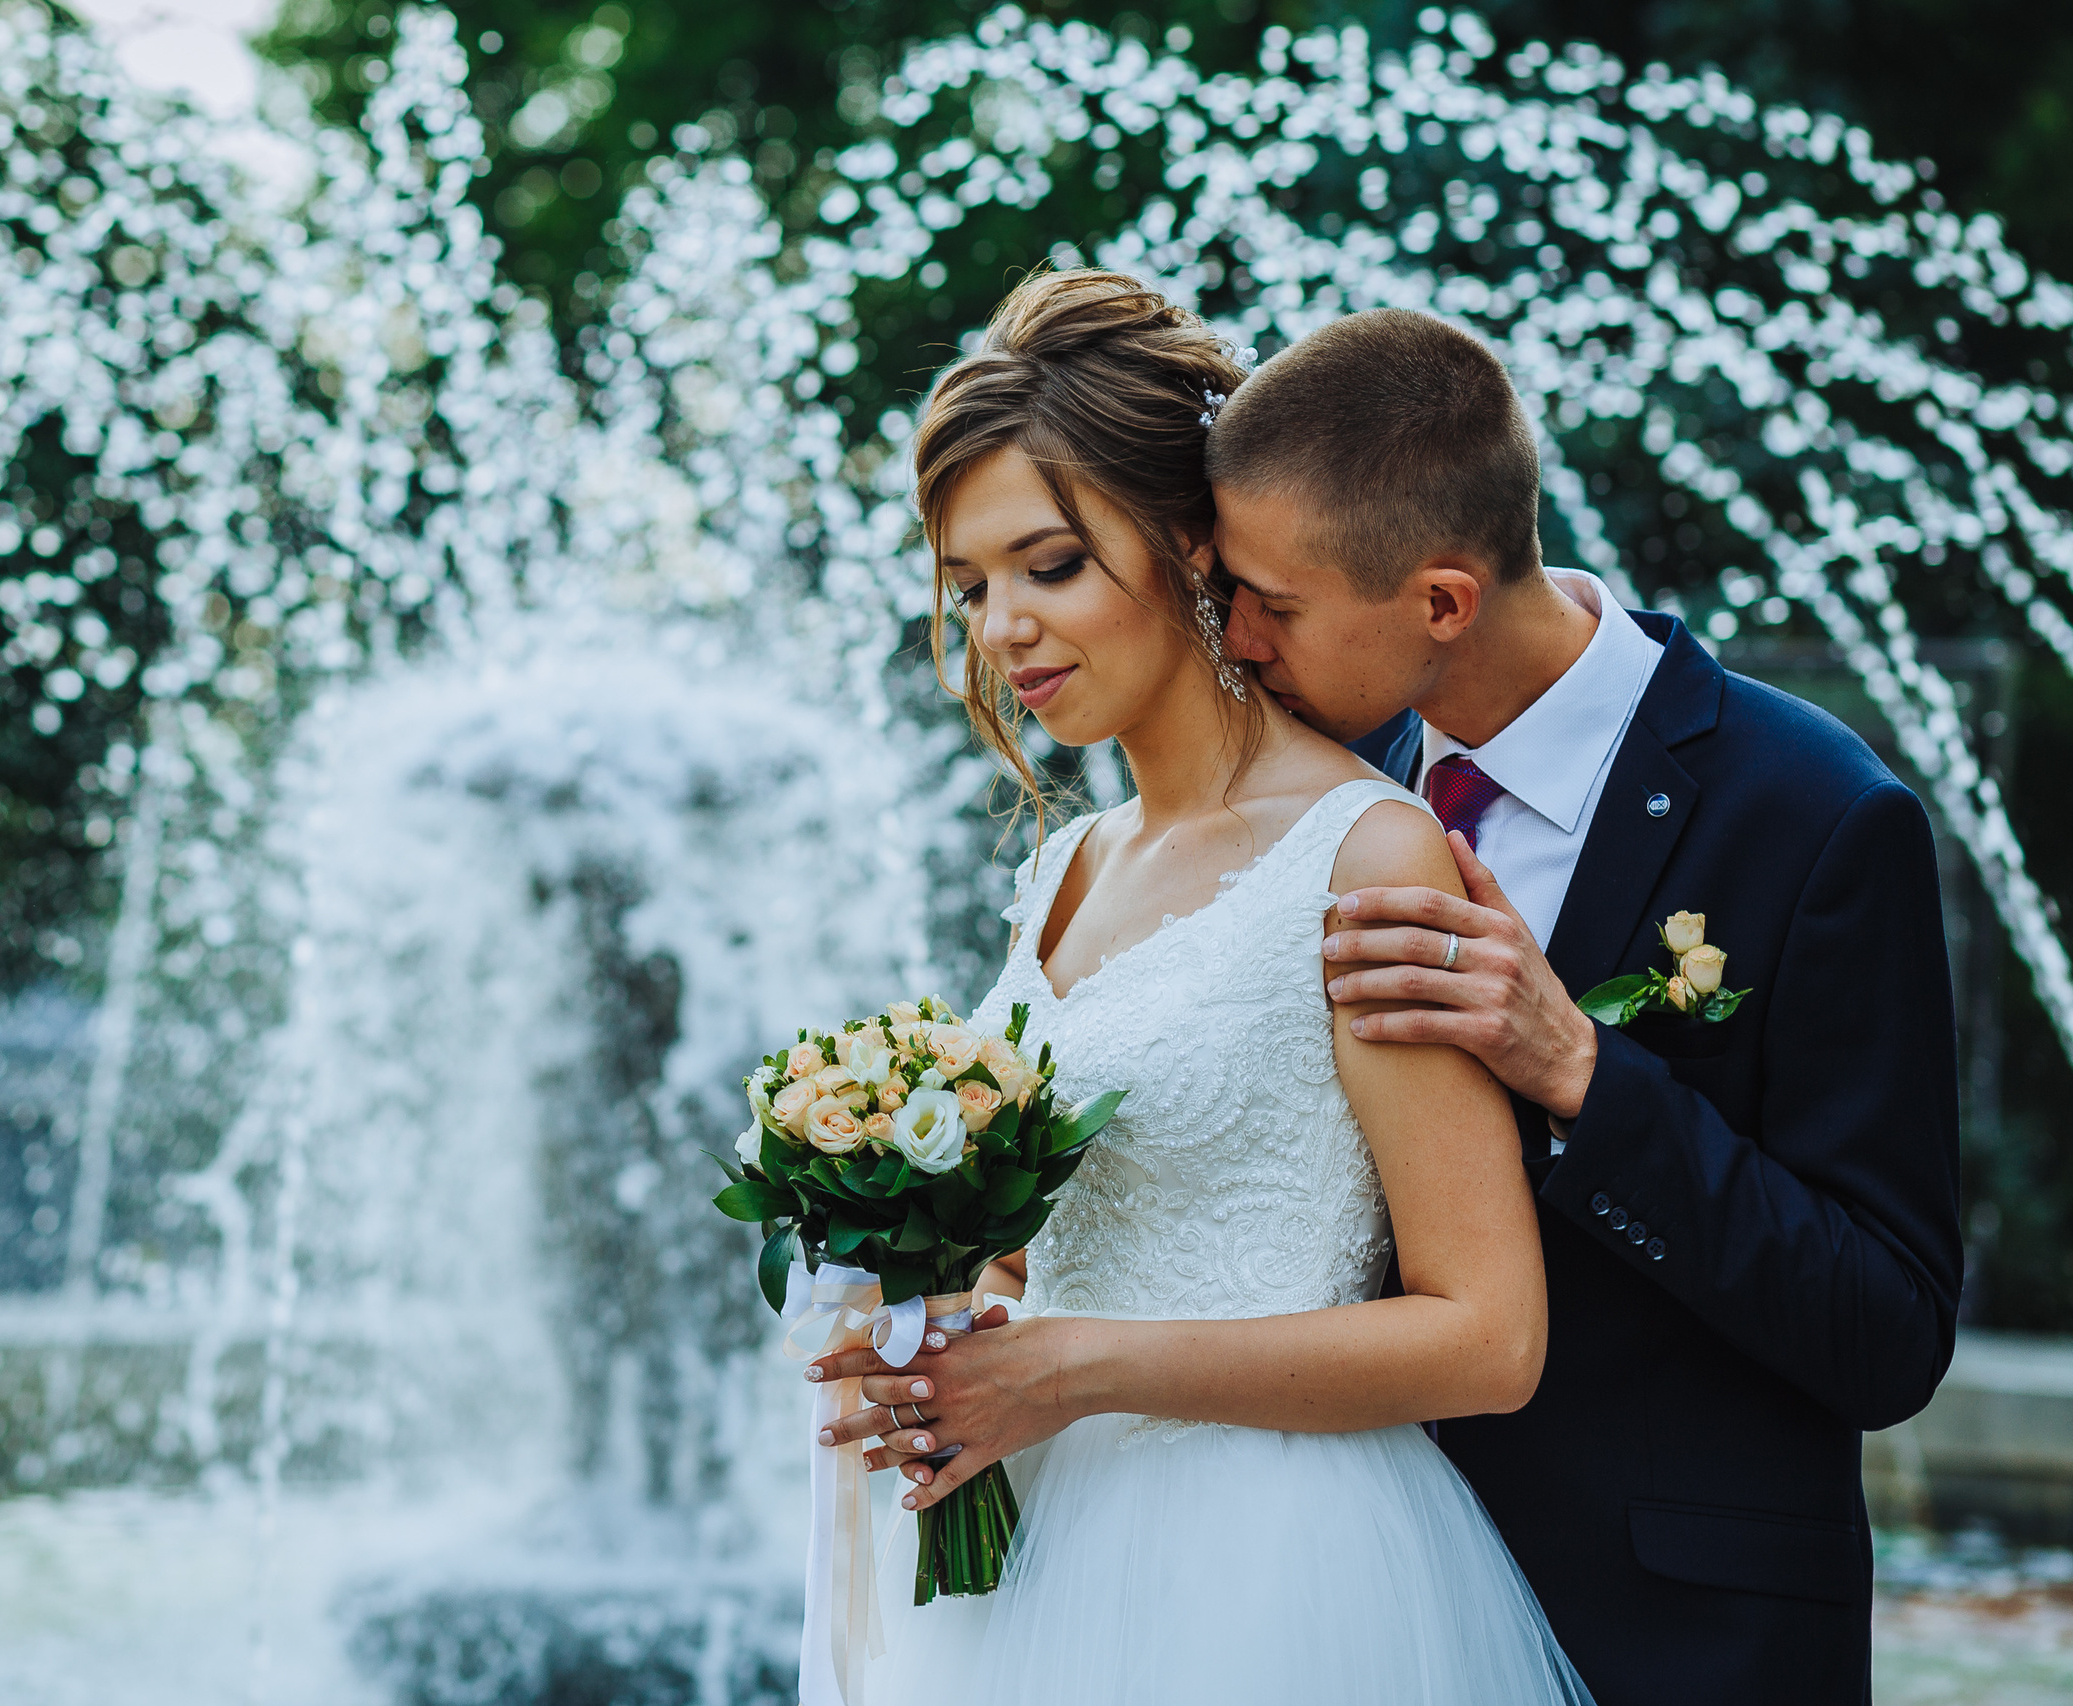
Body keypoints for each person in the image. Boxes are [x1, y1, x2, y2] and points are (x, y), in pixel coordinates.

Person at [802, 270, 1592, 1704]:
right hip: (1046, 1554)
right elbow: (1052, 1257)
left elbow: (1491, 1333)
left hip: (1270, 1575)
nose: (1003, 629)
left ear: (1183, 546)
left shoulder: (1364, 850)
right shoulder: (1071, 868)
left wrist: (1076, 1364)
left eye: (1051, 566)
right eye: (971, 587)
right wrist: (944, 1334)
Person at [1210, 308, 1963, 1703]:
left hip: (1671, 1642)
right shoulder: (1312, 790)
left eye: (1277, 603)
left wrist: (1583, 1073)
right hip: (1347, 1615)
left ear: (1442, 601)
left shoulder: (1820, 818)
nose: (1235, 640)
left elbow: (1890, 1329)